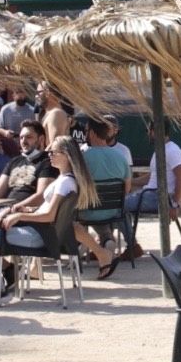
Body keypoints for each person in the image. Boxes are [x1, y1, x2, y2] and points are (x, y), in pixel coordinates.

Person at [0, 134, 101, 296]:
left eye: (53, 152)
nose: (49, 155)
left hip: (38, 236)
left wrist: (19, 216)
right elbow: (50, 212)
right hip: (44, 234)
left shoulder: (64, 182)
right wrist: (29, 210)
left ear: (66, 155)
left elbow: (49, 216)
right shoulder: (67, 180)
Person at [77, 115, 132, 277]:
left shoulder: (82, 156)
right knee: (100, 217)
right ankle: (107, 240)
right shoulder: (121, 157)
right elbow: (126, 189)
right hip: (114, 212)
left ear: (92, 133)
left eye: (87, 131)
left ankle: (93, 245)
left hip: (87, 211)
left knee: (78, 213)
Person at [128, 117, 181, 224]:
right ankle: (128, 239)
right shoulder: (162, 149)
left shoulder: (172, 150)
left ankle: (120, 239)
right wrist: (130, 181)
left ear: (154, 131)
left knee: (117, 206)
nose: (148, 134)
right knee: (120, 205)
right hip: (151, 195)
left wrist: (175, 204)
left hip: (157, 197)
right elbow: (153, 177)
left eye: (148, 131)